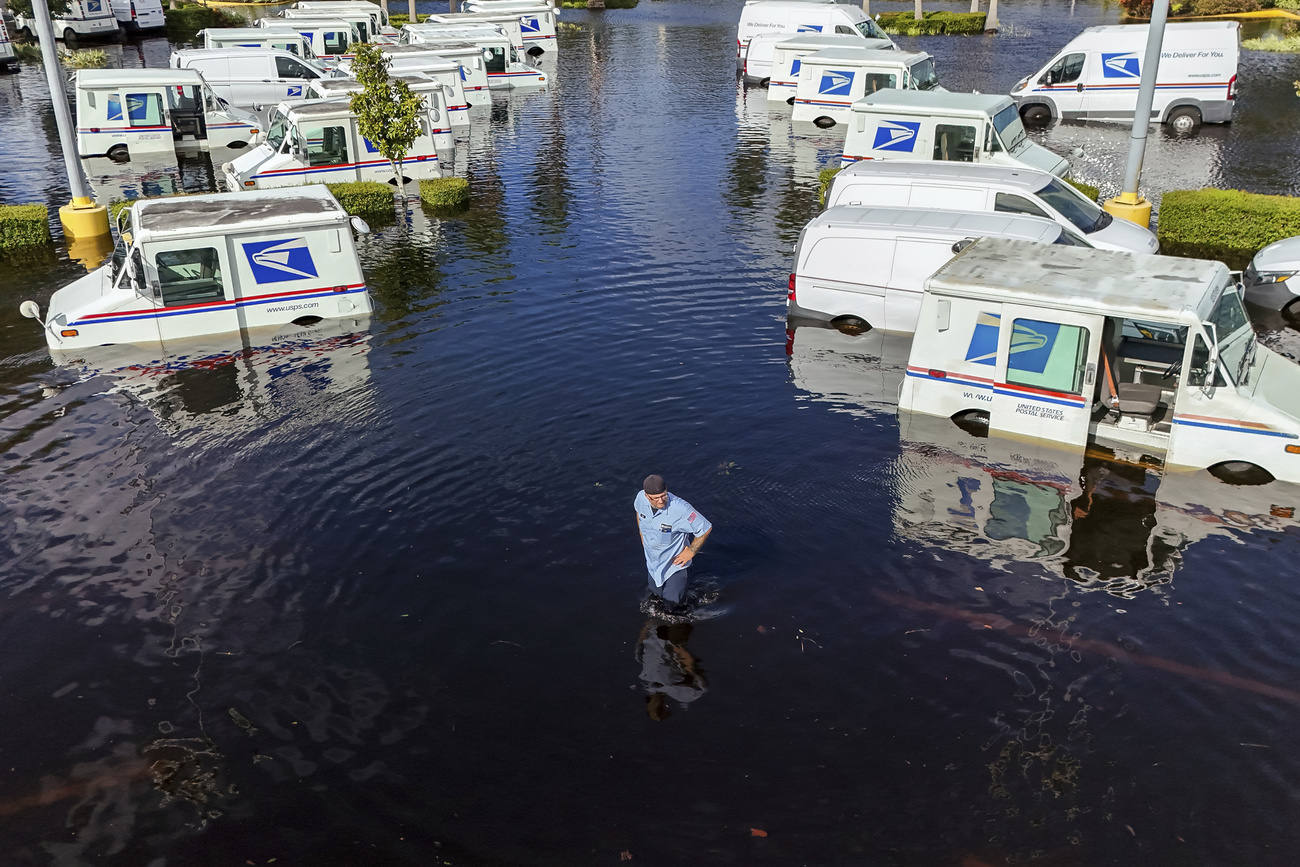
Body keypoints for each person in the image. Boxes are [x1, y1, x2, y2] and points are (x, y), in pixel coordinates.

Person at [634, 474, 712, 614]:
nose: (660, 501)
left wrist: (691, 552)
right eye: (655, 498)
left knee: (671, 609)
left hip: (675, 566)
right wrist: (642, 534)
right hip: (653, 565)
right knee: (656, 597)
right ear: (647, 496)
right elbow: (639, 512)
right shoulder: (640, 498)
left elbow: (705, 528)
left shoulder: (681, 510)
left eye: (663, 495)